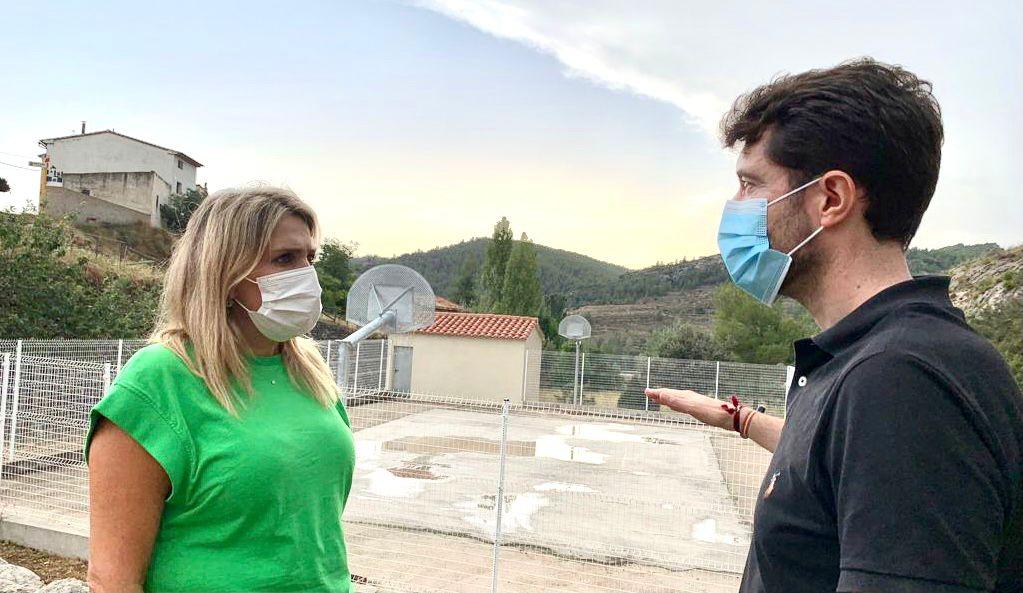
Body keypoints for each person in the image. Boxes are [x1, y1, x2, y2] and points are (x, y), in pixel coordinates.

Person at [646, 59, 1022, 593]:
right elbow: (839, 470)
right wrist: (741, 421)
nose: (734, 207)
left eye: (750, 184)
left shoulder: (900, 380)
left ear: (831, 199)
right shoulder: (869, 359)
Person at [86, 187, 356, 592]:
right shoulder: (160, 380)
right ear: (225, 272)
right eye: (285, 258)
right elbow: (112, 580)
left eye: (309, 258)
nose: (307, 276)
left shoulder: (310, 370)